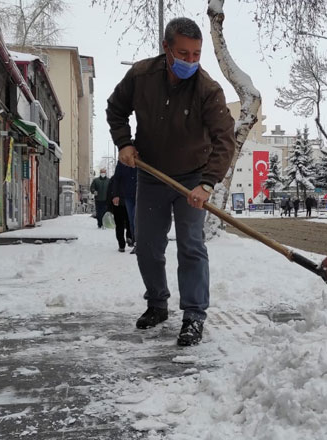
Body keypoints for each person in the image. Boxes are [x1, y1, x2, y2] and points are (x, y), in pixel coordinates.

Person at [106, 17, 236, 346]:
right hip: (151, 174)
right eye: (183, 53)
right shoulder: (140, 76)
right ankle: (157, 303)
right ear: (166, 48)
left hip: (193, 176)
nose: (190, 61)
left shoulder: (208, 90)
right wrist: (124, 143)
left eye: (196, 54)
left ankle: (194, 315)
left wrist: (207, 184)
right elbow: (115, 108)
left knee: (191, 246)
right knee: (147, 245)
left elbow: (225, 140)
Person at [109, 161, 137, 253]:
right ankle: (126, 241)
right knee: (127, 222)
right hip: (122, 202)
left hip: (130, 198)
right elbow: (110, 192)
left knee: (131, 221)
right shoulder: (115, 178)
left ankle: (129, 240)